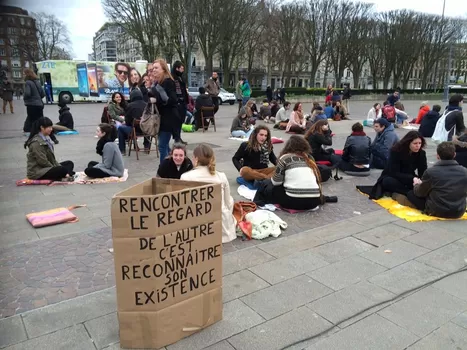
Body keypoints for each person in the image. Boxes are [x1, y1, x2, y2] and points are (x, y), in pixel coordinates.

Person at [181, 144, 237, 243]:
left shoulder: (186, 177)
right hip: (222, 226)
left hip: (197, 225)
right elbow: (228, 203)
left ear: (196, 159)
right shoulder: (221, 176)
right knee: (230, 200)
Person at [253, 135, 323, 211]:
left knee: (269, 183)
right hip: (314, 201)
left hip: (292, 202)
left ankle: (258, 201)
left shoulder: (285, 158)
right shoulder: (309, 159)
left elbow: (276, 182)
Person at [405, 142, 467, 218]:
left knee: (410, 193)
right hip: (458, 211)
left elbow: (420, 193)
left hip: (437, 210)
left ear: (438, 156)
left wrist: (416, 185)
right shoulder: (464, 171)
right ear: (454, 154)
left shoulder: (431, 172)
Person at [365, 131, 427, 200]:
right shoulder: (396, 151)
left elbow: (423, 171)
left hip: (409, 176)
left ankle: (408, 192)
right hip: (394, 176)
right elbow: (393, 172)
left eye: (420, 143)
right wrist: (412, 178)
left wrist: (421, 181)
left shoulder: (421, 153)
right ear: (408, 143)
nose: (418, 146)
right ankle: (408, 193)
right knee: (387, 181)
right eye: (415, 143)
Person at [150, 59, 180, 160]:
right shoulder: (157, 83)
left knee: (162, 146)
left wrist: (158, 100)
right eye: (153, 68)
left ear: (163, 69)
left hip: (169, 118)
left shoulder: (168, 82)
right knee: (165, 146)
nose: (154, 70)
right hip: (162, 118)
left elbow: (173, 100)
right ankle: (171, 164)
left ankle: (163, 170)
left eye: (156, 67)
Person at [118, 89, 150, 155]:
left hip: (134, 130)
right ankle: (147, 146)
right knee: (145, 124)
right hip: (147, 130)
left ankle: (122, 150)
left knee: (120, 128)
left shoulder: (129, 106)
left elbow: (127, 121)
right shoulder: (147, 105)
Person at [23, 69, 45, 133]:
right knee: (40, 119)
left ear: (27, 74)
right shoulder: (37, 82)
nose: (23, 75)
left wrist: (25, 98)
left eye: (24, 74)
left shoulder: (28, 82)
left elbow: (27, 93)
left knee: (32, 119)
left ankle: (32, 131)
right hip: (40, 104)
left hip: (32, 104)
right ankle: (41, 130)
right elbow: (43, 94)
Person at [171, 61, 188, 144]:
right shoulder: (173, 78)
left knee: (181, 120)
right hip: (177, 102)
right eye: (181, 68)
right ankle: (176, 137)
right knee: (177, 121)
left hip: (183, 102)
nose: (183, 70)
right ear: (177, 68)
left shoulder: (181, 78)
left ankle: (178, 137)